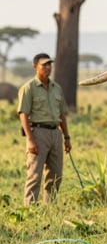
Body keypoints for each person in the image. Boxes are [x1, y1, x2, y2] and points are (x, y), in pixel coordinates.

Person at [17, 53, 72, 205]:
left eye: (49, 64)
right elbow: (23, 115)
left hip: (56, 133)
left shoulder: (57, 88)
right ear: (35, 67)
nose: (48, 67)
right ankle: (30, 210)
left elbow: (62, 114)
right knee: (34, 174)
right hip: (38, 133)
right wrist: (30, 140)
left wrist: (67, 138)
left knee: (56, 175)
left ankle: (49, 208)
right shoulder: (28, 88)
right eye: (44, 65)